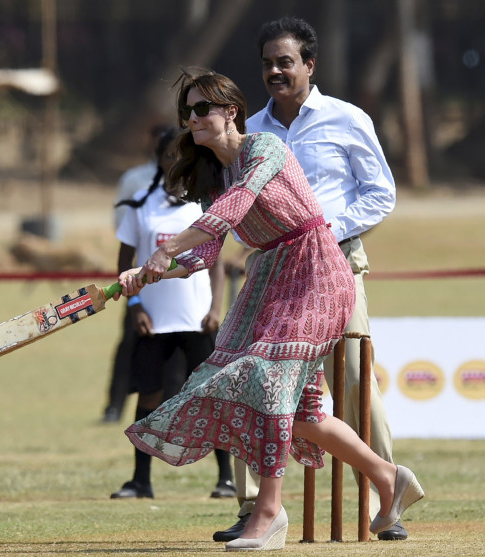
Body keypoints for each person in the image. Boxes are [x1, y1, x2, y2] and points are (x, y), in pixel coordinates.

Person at [117, 68, 423, 551]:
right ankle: (388, 478)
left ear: (230, 112)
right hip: (269, 280)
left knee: (266, 384)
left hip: (316, 271)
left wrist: (166, 247)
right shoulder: (216, 175)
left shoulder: (265, 149)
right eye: (187, 112)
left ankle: (268, 512)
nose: (193, 119)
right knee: (303, 413)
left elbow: (235, 210)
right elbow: (205, 253)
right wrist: (151, 270)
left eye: (202, 108)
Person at [213, 16, 404, 543]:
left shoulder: (346, 119)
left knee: (354, 381)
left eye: (286, 61)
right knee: (256, 380)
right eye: (268, 63)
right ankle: (254, 506)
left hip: (338, 264)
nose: (276, 71)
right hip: (273, 272)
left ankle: (385, 497)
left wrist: (322, 231)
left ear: (309, 65)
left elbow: (380, 193)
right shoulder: (251, 131)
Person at [109, 127, 235, 500]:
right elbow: (123, 265)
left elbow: (215, 264)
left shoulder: (205, 205)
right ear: (160, 160)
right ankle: (140, 480)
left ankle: (225, 478)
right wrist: (134, 306)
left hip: (197, 320)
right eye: (169, 156)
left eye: (182, 155)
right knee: (149, 396)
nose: (175, 162)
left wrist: (215, 308)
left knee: (213, 398)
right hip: (153, 321)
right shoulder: (139, 206)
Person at [103, 123, 173, 424]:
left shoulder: (191, 186)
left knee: (173, 352)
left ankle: (170, 408)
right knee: (130, 344)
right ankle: (114, 405)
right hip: (138, 284)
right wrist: (132, 291)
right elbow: (123, 233)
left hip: (176, 285)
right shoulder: (135, 181)